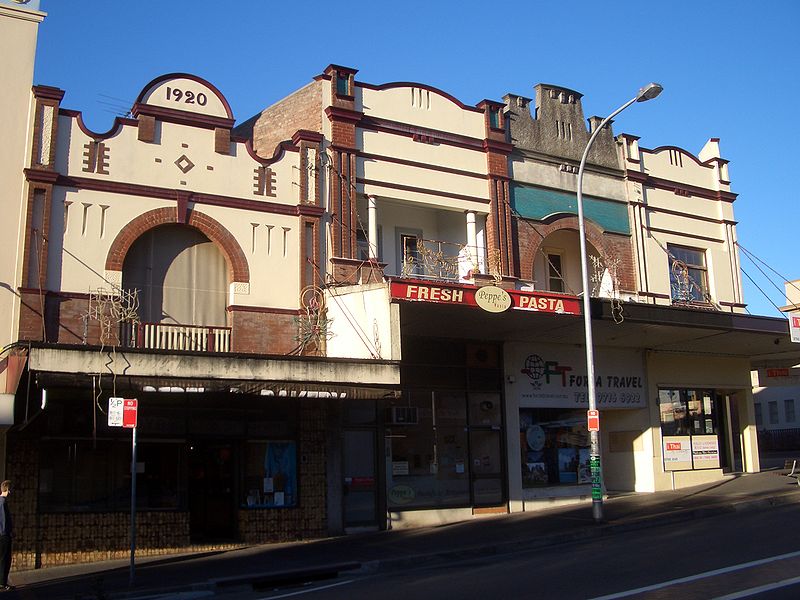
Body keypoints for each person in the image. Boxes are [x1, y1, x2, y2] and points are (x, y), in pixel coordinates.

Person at [0, 480, 12, 592]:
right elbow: (4, 521)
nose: (10, 492)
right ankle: (2, 583)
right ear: (7, 490)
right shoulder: (3, 502)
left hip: (1, 535)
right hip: (4, 536)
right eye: (10, 490)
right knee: (5, 559)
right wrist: (6, 534)